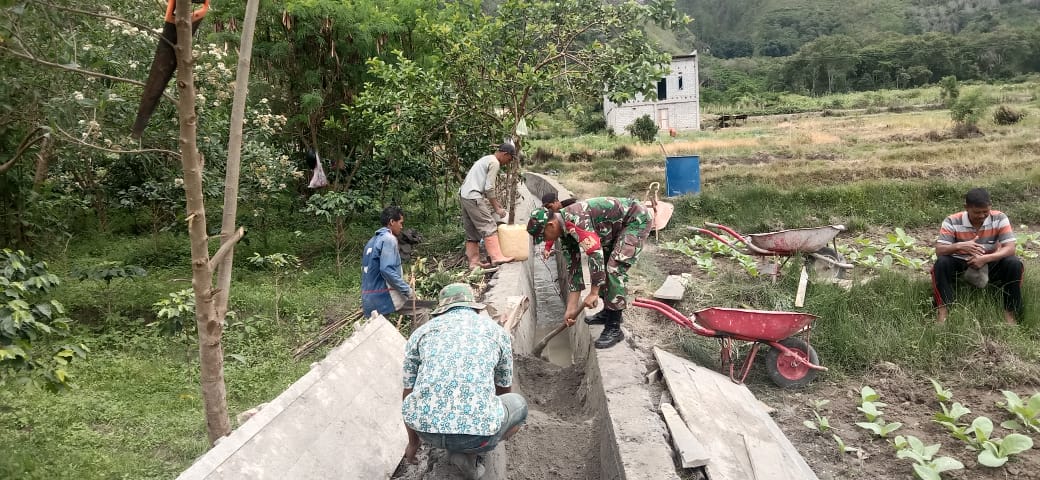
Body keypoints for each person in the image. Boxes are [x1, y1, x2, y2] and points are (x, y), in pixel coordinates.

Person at [401, 283, 527, 480]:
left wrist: (413, 443)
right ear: (474, 308)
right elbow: (503, 389)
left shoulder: (420, 334)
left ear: (441, 311)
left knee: (414, 401)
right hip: (478, 436)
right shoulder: (496, 332)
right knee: (519, 404)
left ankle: (457, 448)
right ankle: (470, 453)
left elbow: (407, 392)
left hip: (427, 432)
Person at [526, 197, 653, 349]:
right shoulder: (564, 232)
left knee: (614, 268)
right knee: (605, 265)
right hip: (615, 227)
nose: (546, 240)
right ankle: (608, 312)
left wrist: (593, 292)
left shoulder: (575, 221)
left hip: (636, 220)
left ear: (551, 225)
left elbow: (595, 253)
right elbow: (574, 267)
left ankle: (614, 327)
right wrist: (571, 308)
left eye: (544, 236)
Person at [932, 188, 1024, 325]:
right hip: (961, 261)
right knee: (941, 263)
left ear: (990, 206)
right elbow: (939, 250)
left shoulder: (999, 218)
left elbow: (1010, 248)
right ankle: (943, 311)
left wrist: (985, 259)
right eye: (977, 212)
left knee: (1014, 263)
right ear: (966, 208)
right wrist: (960, 246)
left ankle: (1009, 313)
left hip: (990, 261)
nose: (982, 216)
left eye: (985, 212)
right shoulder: (951, 221)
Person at [361, 206, 431, 320]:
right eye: (400, 222)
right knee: (421, 311)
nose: (401, 226)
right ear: (392, 222)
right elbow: (387, 270)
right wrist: (407, 290)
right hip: (384, 295)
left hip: (369, 298)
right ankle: (417, 338)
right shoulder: (389, 239)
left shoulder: (371, 241)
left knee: (378, 333)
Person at [459, 143, 517, 269]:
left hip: (464, 195)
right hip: (473, 196)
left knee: (472, 231)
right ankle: (497, 257)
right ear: (505, 154)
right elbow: (489, 188)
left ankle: (474, 263)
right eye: (510, 159)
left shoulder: (486, 159)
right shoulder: (494, 162)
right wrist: (497, 207)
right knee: (489, 225)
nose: (508, 163)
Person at [538, 192, 577, 259]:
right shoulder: (555, 215)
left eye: (550, 207)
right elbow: (552, 231)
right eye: (547, 209)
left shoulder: (573, 207)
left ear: (556, 201)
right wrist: (547, 249)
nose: (550, 210)